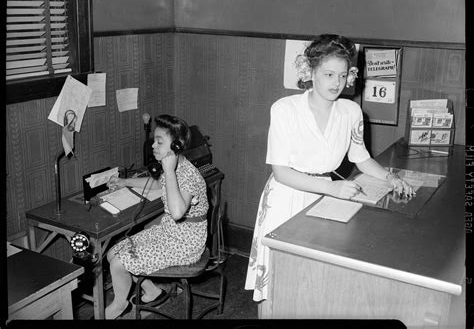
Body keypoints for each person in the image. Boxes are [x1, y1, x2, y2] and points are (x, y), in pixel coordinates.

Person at [244, 34, 414, 308]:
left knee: (312, 281)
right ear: (310, 72)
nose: (336, 82)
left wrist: (390, 178)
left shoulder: (351, 112)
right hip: (287, 198)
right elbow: (281, 172)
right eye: (328, 74)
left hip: (325, 198)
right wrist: (332, 188)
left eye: (343, 75)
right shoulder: (285, 109)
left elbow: (361, 158)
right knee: (275, 282)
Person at [104, 114, 209, 320]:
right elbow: (158, 185)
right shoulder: (174, 165)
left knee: (118, 263)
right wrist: (125, 182)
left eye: (159, 141)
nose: (153, 145)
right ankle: (152, 291)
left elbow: (177, 211)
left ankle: (119, 305)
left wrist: (169, 171)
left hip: (186, 242)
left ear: (177, 146)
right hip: (169, 231)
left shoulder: (187, 174)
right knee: (112, 253)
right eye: (154, 140)